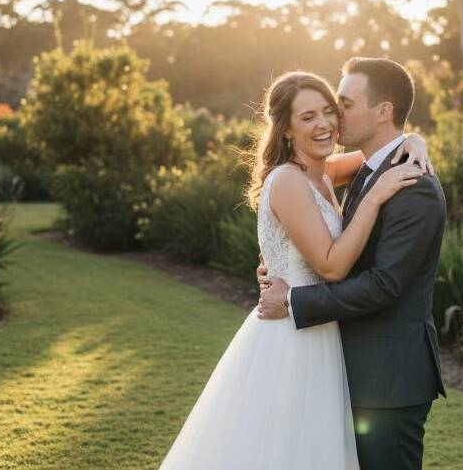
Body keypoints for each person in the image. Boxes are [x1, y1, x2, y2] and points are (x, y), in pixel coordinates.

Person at [157, 69, 432, 470]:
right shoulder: (288, 180)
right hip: (291, 335)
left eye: (329, 111)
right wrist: (374, 199)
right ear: (285, 129)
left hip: (319, 328)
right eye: (307, 118)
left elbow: (387, 145)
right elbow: (332, 267)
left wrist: (416, 139)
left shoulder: (324, 171)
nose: (323, 124)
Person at [258, 57, 447, 470]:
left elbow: (383, 285)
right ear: (287, 126)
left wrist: (293, 299)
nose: (333, 117)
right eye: (317, 112)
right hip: (343, 366)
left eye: (341, 104)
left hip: (388, 379)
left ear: (383, 112)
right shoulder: (364, 171)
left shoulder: (413, 187)